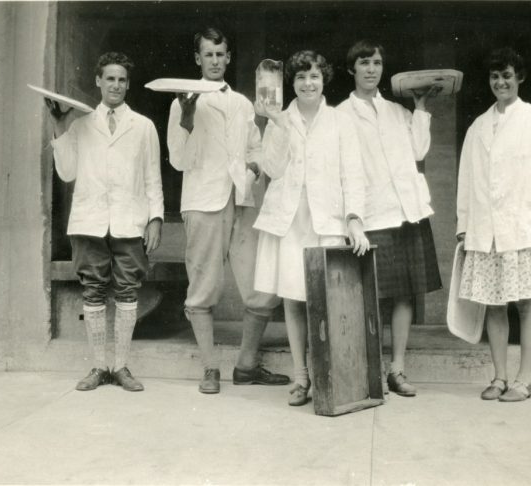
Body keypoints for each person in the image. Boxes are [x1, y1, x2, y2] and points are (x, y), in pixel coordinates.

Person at [167, 27, 290, 394]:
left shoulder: (242, 104)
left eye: (220, 54)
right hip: (203, 202)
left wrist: (254, 168)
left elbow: (255, 149)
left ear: (229, 57)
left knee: (262, 291)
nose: (215, 61)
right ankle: (210, 368)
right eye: (208, 54)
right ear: (197, 58)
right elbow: (177, 160)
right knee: (203, 290)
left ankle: (247, 365)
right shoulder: (182, 103)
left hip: (243, 200)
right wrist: (187, 119)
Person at [254, 50, 370, 406]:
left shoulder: (340, 121)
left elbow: (353, 174)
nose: (308, 83)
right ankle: (301, 376)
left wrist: (354, 219)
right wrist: (275, 123)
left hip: (327, 220)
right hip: (290, 220)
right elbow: (272, 168)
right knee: (293, 298)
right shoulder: (280, 117)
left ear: (324, 80)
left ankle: (328, 376)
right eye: (302, 77)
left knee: (328, 300)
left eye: (315, 76)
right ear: (292, 82)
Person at [456, 47, 531, 402]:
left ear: (519, 77)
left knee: (525, 302)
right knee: (493, 304)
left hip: (524, 227)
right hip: (486, 231)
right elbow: (466, 180)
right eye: (494, 76)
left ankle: (526, 379)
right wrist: (464, 225)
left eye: (506, 75)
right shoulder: (478, 126)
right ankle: (500, 377)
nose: (500, 82)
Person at [47, 52, 164, 392]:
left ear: (128, 84)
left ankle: (121, 366)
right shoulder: (81, 124)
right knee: (93, 289)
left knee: (128, 290)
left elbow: (152, 176)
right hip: (90, 220)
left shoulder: (143, 126)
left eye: (122, 80)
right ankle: (99, 367)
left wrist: (155, 218)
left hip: (129, 220)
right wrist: (60, 127)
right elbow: (67, 172)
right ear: (98, 81)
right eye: (110, 78)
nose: (116, 85)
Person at [337, 40, 444, 398]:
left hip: (407, 212)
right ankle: (370, 371)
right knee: (371, 297)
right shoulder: (341, 115)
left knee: (404, 295)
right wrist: (351, 218)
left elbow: (419, 150)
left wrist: (420, 108)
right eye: (364, 62)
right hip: (371, 216)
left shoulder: (398, 111)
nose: (371, 69)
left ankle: (397, 369)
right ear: (351, 69)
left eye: (377, 62)